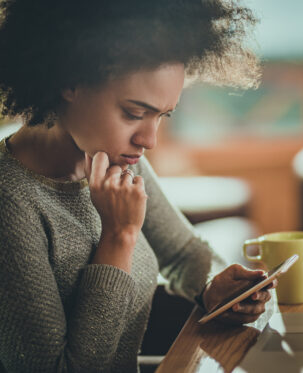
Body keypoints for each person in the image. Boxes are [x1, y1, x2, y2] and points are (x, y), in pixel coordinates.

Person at [0, 0, 273, 371]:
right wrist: (118, 237)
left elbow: (182, 253)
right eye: (133, 113)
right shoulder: (10, 202)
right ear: (69, 81)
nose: (149, 140)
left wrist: (215, 289)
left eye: (163, 116)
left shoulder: (116, 157)